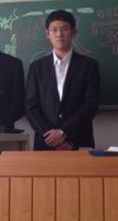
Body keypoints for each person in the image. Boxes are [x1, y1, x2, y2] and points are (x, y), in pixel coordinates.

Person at [26, 9, 100, 150]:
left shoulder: (89, 65)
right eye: (54, 30)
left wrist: (63, 133)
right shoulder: (37, 67)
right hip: (45, 143)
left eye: (65, 29)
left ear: (73, 31)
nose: (59, 34)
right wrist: (52, 138)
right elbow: (31, 107)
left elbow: (90, 105)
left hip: (78, 141)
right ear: (47, 33)